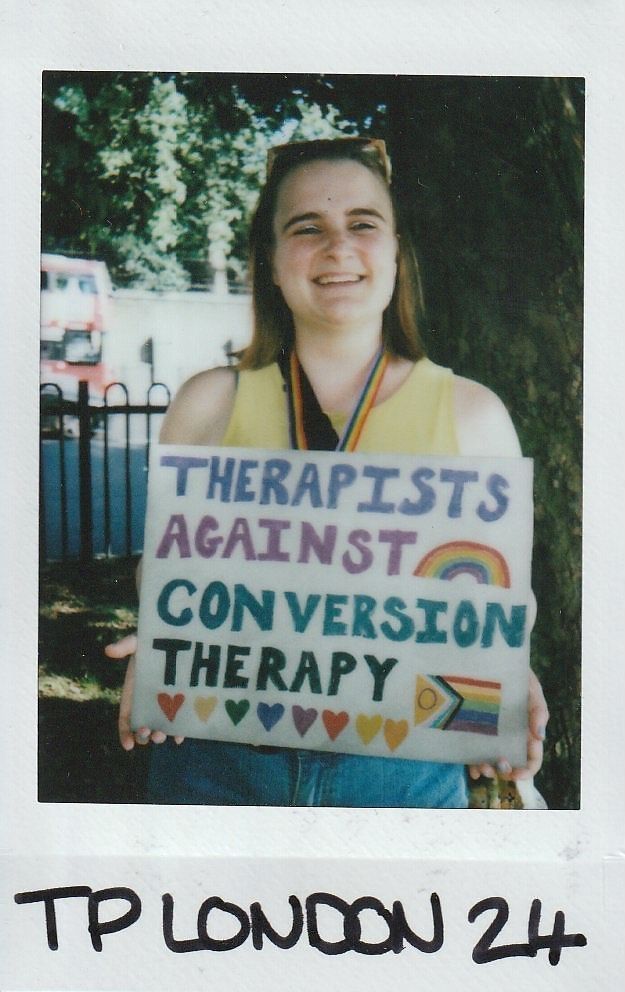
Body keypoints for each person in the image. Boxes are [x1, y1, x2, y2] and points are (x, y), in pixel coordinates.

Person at [107, 136, 549, 807]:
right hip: (218, 761)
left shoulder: (473, 415)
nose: (337, 247)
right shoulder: (209, 404)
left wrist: (508, 674)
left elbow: (493, 599)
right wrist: (163, 638)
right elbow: (167, 566)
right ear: (271, 261)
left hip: (402, 775)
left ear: (396, 252)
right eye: (306, 227)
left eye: (362, 224)